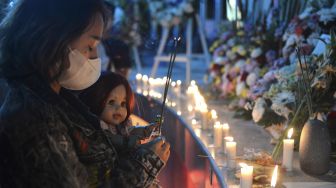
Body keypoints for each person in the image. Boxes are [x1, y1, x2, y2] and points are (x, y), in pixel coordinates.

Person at [0, 0, 170, 187]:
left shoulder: (59, 101)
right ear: (54, 40)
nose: (96, 58)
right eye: (90, 46)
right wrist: (145, 163)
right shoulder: (34, 121)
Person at [79, 71, 159, 151]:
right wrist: (130, 143)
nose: (119, 108)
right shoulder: (97, 128)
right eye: (111, 102)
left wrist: (145, 130)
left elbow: (130, 131)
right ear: (96, 99)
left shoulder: (121, 125)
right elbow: (113, 141)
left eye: (123, 103)